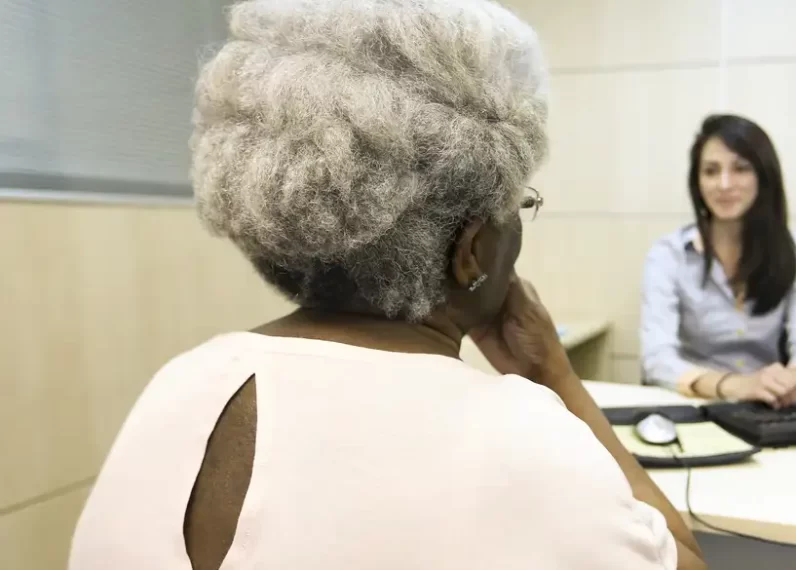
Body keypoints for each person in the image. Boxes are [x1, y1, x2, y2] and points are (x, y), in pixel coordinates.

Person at [69, 2, 706, 569]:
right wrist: (557, 378)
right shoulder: (525, 438)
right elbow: (683, 558)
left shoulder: (181, 385)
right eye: (521, 204)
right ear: (472, 250)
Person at [640, 114, 796, 408]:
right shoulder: (669, 254)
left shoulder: (790, 248)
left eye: (741, 168)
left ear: (763, 176)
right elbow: (656, 358)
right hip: (699, 405)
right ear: (697, 181)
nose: (724, 184)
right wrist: (736, 386)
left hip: (771, 405)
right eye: (710, 171)